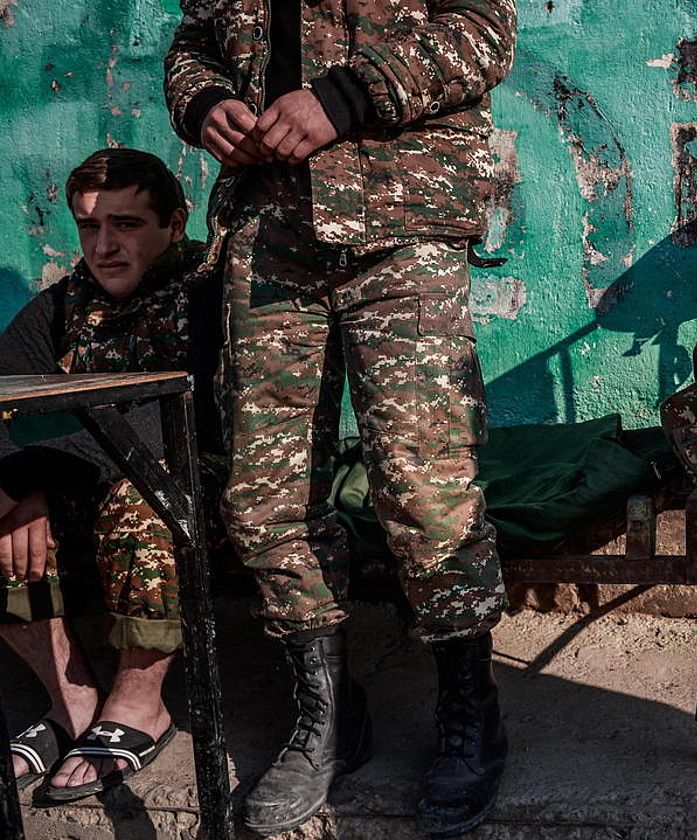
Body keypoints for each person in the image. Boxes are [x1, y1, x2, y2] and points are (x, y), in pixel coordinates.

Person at [165, 2, 517, 836]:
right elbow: (193, 41)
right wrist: (204, 100)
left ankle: (470, 713)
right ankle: (326, 716)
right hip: (269, 226)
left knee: (425, 486)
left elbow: (485, 29)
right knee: (265, 492)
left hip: (404, 218)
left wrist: (345, 97)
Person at [1, 148, 219, 802]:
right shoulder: (65, 306)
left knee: (141, 498)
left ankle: (139, 706)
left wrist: (36, 479)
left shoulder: (210, 294)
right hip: (84, 479)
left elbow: (169, 424)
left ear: (175, 224)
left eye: (125, 225)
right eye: (89, 227)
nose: (104, 246)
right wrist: (18, 491)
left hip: (197, 480)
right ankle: (69, 701)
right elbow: (4, 398)